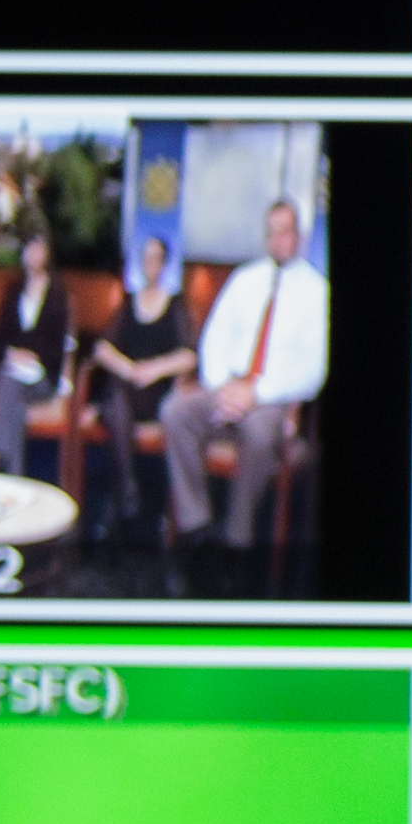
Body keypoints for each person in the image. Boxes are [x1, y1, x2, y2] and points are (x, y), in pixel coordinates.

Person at [162, 197, 328, 562]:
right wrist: (223, 385)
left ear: (299, 236)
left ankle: (237, 542)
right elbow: (214, 338)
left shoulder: (318, 292)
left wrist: (256, 392)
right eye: (272, 233)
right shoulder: (245, 279)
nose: (278, 240)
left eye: (285, 232)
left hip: (271, 398)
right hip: (227, 388)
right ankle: (196, 527)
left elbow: (314, 369)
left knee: (258, 433)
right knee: (175, 411)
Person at [80, 238, 199, 542]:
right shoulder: (129, 300)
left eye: (156, 259)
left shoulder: (175, 305)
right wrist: (130, 370)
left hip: (158, 393)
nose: (150, 265)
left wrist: (153, 370)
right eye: (145, 259)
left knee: (112, 405)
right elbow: (102, 348)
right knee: (116, 400)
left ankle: (119, 499)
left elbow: (189, 356)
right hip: (127, 386)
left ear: (164, 264)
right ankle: (128, 488)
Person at [0, 238, 86, 483]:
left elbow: (59, 347)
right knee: (13, 399)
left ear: (47, 256)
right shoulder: (12, 293)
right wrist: (11, 354)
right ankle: (15, 479)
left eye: (39, 250)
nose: (34, 255)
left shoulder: (58, 298)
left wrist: (32, 356)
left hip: (42, 376)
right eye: (29, 249)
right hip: (12, 372)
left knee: (8, 384)